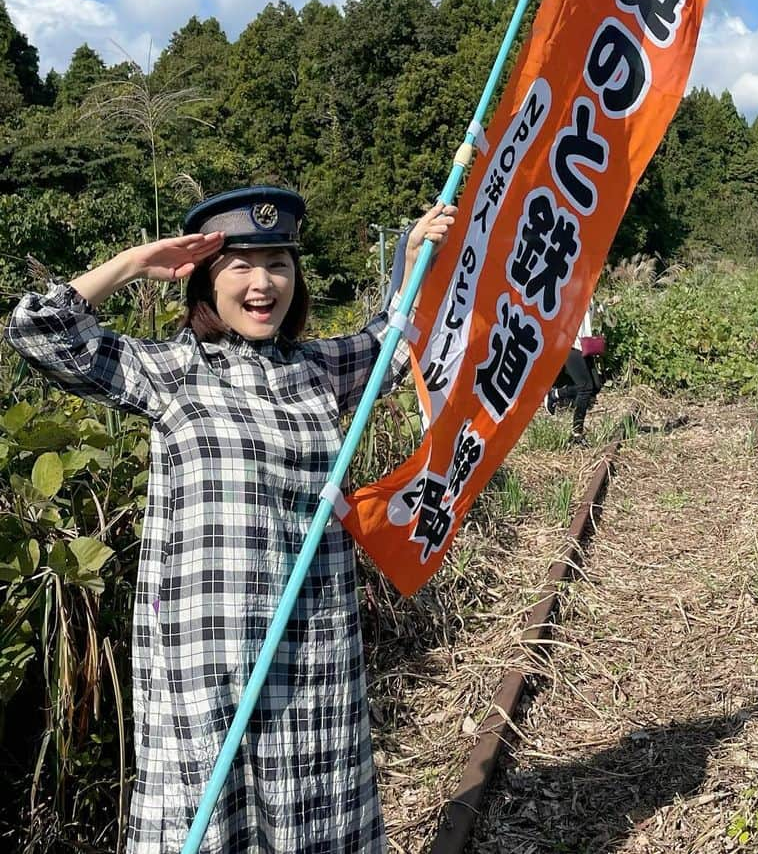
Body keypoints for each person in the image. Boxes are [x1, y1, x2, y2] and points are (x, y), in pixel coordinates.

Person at [3, 186, 455, 854]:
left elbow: (395, 334)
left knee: (313, 808)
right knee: (211, 817)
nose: (262, 282)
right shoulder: (170, 370)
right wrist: (134, 261)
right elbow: (39, 330)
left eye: (277, 262)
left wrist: (408, 255)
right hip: (206, 664)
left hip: (312, 652)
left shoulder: (318, 371)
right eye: (240, 264)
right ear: (207, 282)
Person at [545, 300, 601, 445]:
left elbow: (595, 318)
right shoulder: (576, 294)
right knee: (585, 387)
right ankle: (577, 433)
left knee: (595, 386)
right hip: (571, 346)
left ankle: (556, 394)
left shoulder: (591, 298)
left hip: (585, 346)